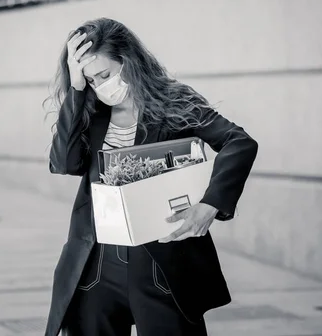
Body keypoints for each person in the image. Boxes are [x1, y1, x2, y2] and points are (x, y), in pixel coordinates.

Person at [43, 17, 258, 336]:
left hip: (160, 262)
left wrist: (210, 205)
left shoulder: (173, 100)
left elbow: (238, 142)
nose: (99, 86)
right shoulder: (91, 109)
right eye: (90, 79)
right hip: (96, 263)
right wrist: (76, 90)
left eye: (104, 74)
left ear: (127, 61)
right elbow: (65, 163)